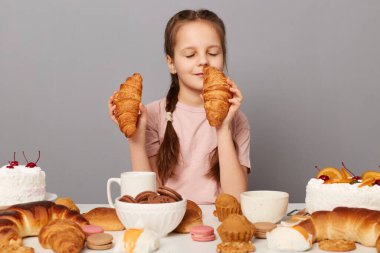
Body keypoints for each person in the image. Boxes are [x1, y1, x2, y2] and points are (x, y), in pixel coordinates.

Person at [108, 9, 251, 204]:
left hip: (216, 224)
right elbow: (147, 198)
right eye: (190, 54)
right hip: (167, 221)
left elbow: (235, 198)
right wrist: (135, 140)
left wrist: (223, 128)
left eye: (213, 53)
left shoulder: (237, 120)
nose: (203, 61)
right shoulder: (154, 115)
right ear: (171, 63)